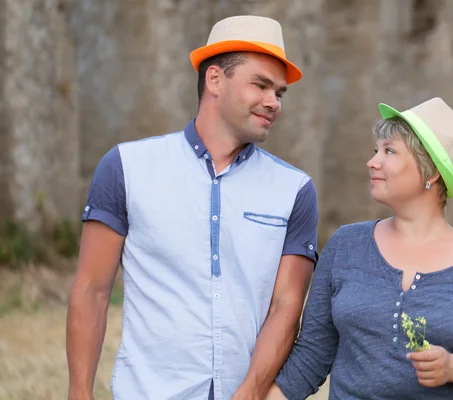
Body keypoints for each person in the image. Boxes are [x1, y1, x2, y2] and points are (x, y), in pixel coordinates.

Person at [66, 15, 319, 400]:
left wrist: (250, 392)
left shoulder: (295, 190)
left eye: (279, 93)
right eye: (261, 85)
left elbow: (286, 307)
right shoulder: (126, 168)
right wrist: (79, 393)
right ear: (215, 79)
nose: (273, 102)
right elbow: (91, 290)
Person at [267, 98, 453, 399]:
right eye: (376, 150)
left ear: (430, 172)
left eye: (389, 151)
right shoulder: (345, 246)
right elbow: (312, 354)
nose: (372, 162)